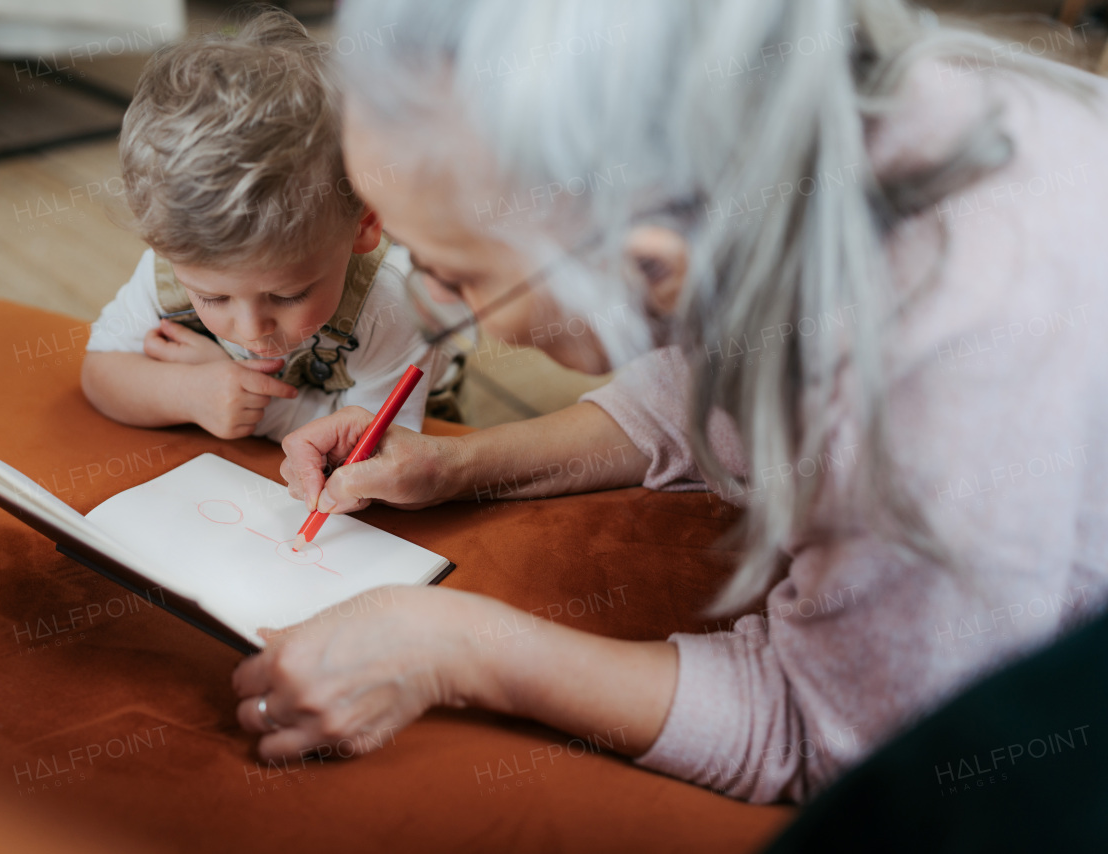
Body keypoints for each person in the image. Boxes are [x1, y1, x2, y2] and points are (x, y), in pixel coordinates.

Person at [232, 0, 1108, 804]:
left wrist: (457, 649)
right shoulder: (773, 137)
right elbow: (705, 372)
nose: (436, 308)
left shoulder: (949, 366)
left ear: (649, 261)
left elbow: (831, 735)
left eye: (454, 275)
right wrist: (463, 463)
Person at [81, 8, 465, 443]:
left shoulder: (391, 307)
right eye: (212, 296)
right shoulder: (171, 268)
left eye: (288, 294)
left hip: (421, 413)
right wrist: (189, 391)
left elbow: (367, 447)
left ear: (364, 222)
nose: (250, 329)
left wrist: (248, 403)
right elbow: (99, 372)